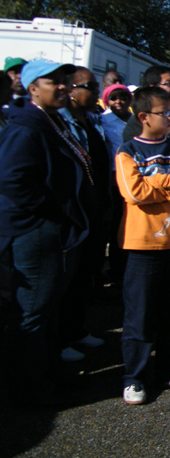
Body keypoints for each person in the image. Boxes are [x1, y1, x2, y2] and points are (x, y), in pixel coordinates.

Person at [0, 59, 89, 406]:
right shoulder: (26, 126)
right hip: (34, 230)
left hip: (51, 228)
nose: (64, 86)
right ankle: (27, 389)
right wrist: (51, 212)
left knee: (48, 305)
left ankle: (46, 372)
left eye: (65, 80)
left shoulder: (50, 120)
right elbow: (11, 178)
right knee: (32, 310)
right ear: (32, 87)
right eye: (54, 81)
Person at [116, 86, 170, 405]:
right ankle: (134, 377)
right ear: (143, 117)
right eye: (164, 113)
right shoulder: (127, 150)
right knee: (139, 315)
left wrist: (157, 183)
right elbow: (134, 192)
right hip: (141, 246)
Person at [57, 67, 111, 360]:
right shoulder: (61, 123)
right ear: (71, 90)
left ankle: (76, 329)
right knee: (65, 278)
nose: (94, 91)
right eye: (89, 85)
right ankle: (60, 338)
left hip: (94, 204)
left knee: (84, 272)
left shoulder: (90, 120)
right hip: (73, 211)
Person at [100, 83, 133, 288]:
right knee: (115, 227)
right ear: (106, 101)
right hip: (113, 179)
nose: (118, 102)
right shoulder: (102, 120)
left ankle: (126, 268)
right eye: (113, 98)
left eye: (122, 97)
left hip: (132, 176)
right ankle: (116, 271)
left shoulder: (135, 119)